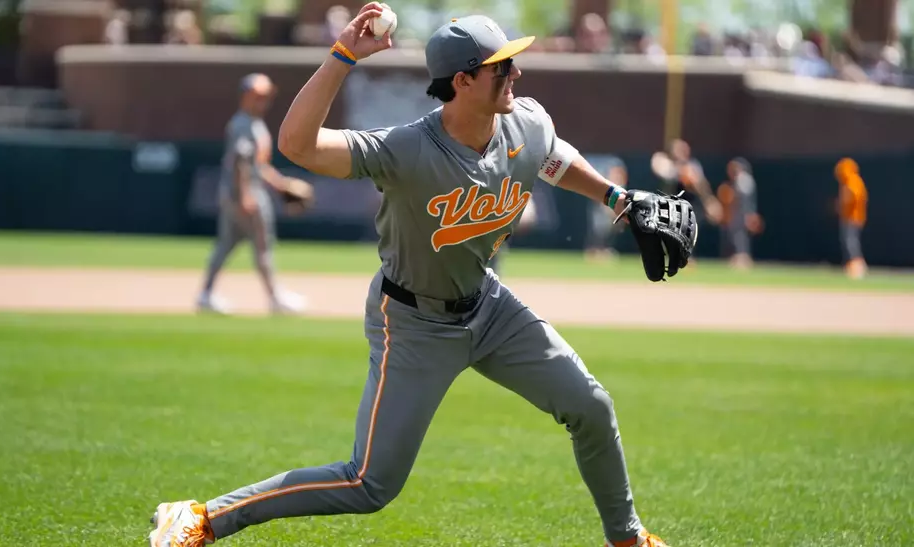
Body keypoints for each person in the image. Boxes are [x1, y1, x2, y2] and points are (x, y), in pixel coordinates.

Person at [153, 7, 668, 547]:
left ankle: (628, 538)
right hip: (413, 321)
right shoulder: (404, 149)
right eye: (501, 67)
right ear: (463, 81)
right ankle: (203, 518)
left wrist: (618, 199)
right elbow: (297, 147)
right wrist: (342, 57)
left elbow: (551, 156)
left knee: (591, 405)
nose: (515, 73)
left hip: (489, 307)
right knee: (368, 482)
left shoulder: (527, 120)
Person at [196, 73, 308, 315]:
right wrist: (247, 195)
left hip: (235, 194)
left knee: (226, 245)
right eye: (259, 96)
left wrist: (281, 184)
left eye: (267, 96)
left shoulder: (251, 123)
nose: (264, 101)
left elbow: (257, 165)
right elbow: (241, 162)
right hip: (246, 195)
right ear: (246, 96)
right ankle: (275, 299)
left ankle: (205, 295)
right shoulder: (243, 124)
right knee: (263, 247)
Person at [716, 158, 763, 269]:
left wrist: (750, 214)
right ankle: (739, 257)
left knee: (741, 235)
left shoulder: (744, 179)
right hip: (736, 212)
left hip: (744, 212)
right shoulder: (737, 180)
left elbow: (746, 200)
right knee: (736, 235)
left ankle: (743, 258)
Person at [835, 157, 868, 279]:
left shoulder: (853, 181)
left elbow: (853, 198)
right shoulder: (847, 182)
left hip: (853, 218)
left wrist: (843, 203)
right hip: (848, 218)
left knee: (851, 242)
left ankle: (857, 267)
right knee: (848, 241)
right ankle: (851, 265)